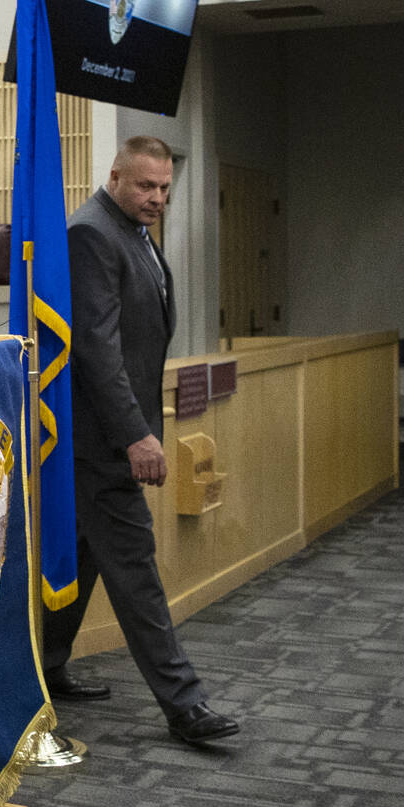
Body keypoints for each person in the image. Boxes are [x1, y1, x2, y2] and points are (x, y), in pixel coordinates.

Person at [41, 135, 239, 746]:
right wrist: (136, 435)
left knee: (89, 555)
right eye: (146, 186)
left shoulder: (134, 232)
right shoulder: (92, 234)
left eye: (164, 190)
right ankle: (185, 705)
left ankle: (43, 669)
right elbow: (96, 349)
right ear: (116, 176)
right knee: (136, 568)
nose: (156, 199)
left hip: (104, 440)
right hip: (101, 441)